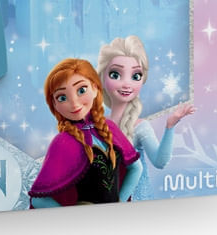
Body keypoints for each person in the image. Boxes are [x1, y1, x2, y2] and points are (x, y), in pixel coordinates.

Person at [29, 58, 142, 207]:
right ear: (54, 104)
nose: (74, 103)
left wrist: (120, 202)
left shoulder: (109, 127)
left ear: (94, 88)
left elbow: (136, 168)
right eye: (62, 97)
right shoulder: (62, 142)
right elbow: (38, 199)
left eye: (81, 90)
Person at [97, 36, 195, 200]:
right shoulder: (97, 125)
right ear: (102, 78)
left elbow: (159, 161)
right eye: (116, 74)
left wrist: (170, 126)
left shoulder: (140, 127)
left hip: (137, 203)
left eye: (135, 76)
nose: (127, 84)